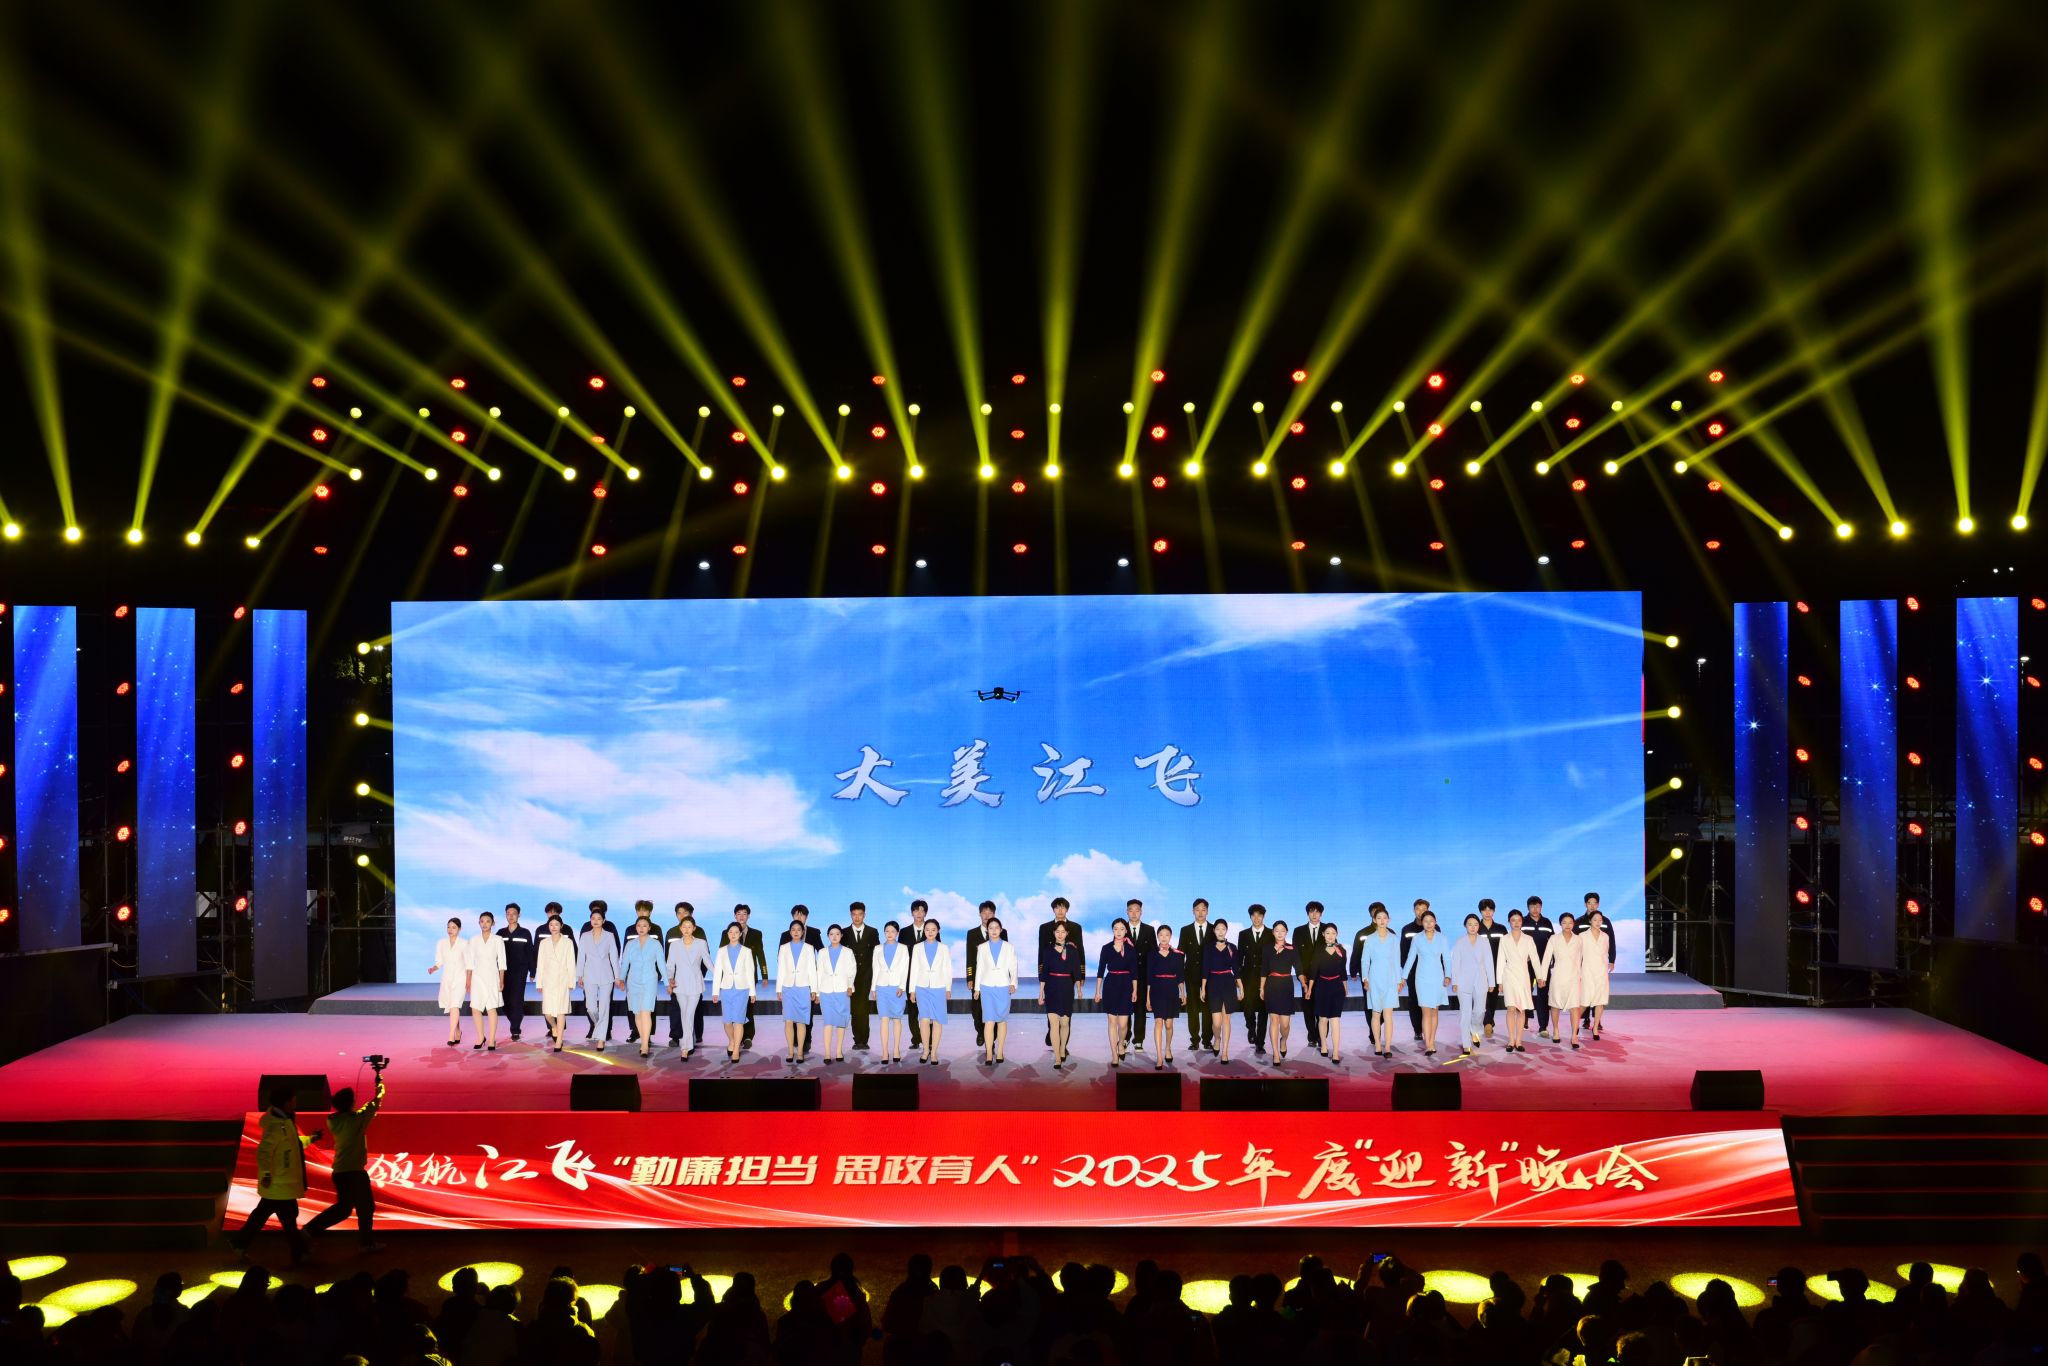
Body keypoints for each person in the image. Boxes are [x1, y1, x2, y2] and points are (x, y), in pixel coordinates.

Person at [230, 1083, 317, 1265]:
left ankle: (239, 1244)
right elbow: (264, 1152)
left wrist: (310, 1139)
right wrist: (268, 1175)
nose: (296, 1101)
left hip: (280, 1184)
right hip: (280, 1184)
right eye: (293, 1099)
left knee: (263, 1216)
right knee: (288, 1220)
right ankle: (300, 1254)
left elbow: (292, 1144)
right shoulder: (278, 1126)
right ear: (286, 1102)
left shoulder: (283, 1122)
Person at [304, 1063, 387, 1251]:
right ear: (350, 1103)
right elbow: (375, 1103)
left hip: (340, 1172)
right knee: (365, 1207)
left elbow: (363, 1109)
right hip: (355, 1173)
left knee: (344, 1209)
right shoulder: (356, 1120)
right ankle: (366, 1243)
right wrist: (379, 1085)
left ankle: (310, 1230)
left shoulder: (334, 1120)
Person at [1401, 906, 1452, 1056]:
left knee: (1434, 1011)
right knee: (1425, 1012)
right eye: (1426, 921)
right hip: (1422, 978)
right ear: (1422, 923)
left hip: (1438, 978)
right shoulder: (1417, 938)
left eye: (1431, 921)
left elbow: (1447, 959)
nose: (1429, 924)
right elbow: (1410, 958)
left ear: (1435, 922)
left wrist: (1448, 975)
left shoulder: (1442, 938)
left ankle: (1432, 1041)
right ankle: (1428, 1044)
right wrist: (1403, 977)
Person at [1357, 902, 1403, 1059]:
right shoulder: (1369, 939)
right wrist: (1365, 978)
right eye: (1379, 918)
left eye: (1385, 918)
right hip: (1374, 979)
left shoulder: (1394, 939)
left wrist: (1399, 980)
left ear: (1388, 920)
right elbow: (1365, 961)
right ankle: (1377, 1044)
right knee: (1376, 1014)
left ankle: (1387, 1046)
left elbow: (1396, 961)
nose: (1382, 920)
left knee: (1388, 1015)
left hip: (1390, 980)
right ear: (1374, 920)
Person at [1037, 897, 1084, 1048]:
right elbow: (1041, 952)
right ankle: (1053, 1033)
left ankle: (1063, 1046)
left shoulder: (1075, 927)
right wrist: (1041, 975)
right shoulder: (1045, 928)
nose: (1060, 910)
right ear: (1053, 910)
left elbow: (1080, 951)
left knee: (1066, 1015)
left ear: (1067, 909)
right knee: (1051, 1011)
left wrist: (1081, 975)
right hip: (1051, 975)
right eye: (1057, 907)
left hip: (1068, 975)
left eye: (1063, 907)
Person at [1449, 912, 1496, 1058]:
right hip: (1463, 981)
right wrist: (1454, 981)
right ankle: (1466, 1044)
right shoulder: (1460, 941)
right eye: (1470, 924)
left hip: (1481, 980)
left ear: (1479, 926)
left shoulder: (1484, 942)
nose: (1473, 927)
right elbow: (1455, 962)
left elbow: (1489, 962)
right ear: (1465, 926)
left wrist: (1492, 981)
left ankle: (1475, 1030)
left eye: (1475, 924)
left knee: (1480, 1011)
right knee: (1465, 1013)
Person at [620, 916, 665, 1060]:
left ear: (649, 928)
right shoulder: (630, 944)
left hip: (649, 980)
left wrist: (666, 982)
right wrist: (621, 978)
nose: (641, 928)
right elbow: (625, 963)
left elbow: (661, 964)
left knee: (646, 1011)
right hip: (633, 981)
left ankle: (645, 1045)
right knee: (637, 1013)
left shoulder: (655, 944)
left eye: (645, 925)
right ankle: (643, 1040)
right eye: (639, 925)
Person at [974, 914, 1018, 1065]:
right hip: (986, 987)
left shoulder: (1009, 947)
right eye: (991, 928)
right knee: (989, 1021)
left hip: (1003, 986)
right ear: (987, 930)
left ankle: (1000, 1052)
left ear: (1001, 930)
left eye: (996, 928)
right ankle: (988, 1053)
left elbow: (1013, 967)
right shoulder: (982, 948)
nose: (993, 930)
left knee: (1002, 1020)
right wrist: (977, 988)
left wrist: (1013, 983)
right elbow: (979, 968)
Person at [713, 920, 758, 1063]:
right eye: (731, 932)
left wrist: (752, 992)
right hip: (726, 989)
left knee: (738, 1021)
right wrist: (715, 991)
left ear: (740, 934)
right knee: (727, 1021)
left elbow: (750, 972)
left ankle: (736, 1049)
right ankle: (732, 1041)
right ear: (727, 934)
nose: (733, 934)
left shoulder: (746, 951)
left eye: (736, 932)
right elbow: (717, 972)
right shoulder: (721, 951)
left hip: (742, 989)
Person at [578, 903, 622, 1050]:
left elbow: (614, 957)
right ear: (590, 920)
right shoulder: (585, 936)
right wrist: (579, 975)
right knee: (591, 1007)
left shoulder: (609, 936)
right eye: (593, 918)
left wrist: (617, 976)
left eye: (599, 918)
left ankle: (601, 1038)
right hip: (589, 974)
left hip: (606, 975)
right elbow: (581, 957)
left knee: (604, 1007)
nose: (596, 921)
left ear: (604, 920)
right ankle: (599, 1026)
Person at [909, 916, 953, 1065]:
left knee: (937, 1020)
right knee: (924, 1020)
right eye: (927, 929)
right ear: (924, 931)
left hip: (939, 987)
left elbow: (947, 969)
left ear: (938, 931)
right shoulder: (917, 947)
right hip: (921, 987)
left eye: (933, 930)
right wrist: (912, 990)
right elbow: (914, 969)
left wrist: (948, 988)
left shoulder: (944, 948)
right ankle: (925, 1051)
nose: (930, 932)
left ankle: (934, 1052)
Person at [1496, 909, 1541, 1052]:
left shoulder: (1528, 939)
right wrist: (1499, 982)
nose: (1516, 923)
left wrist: (1540, 977)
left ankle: (1519, 1041)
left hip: (1523, 977)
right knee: (1510, 1008)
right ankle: (1511, 1040)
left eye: (1519, 920)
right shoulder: (1504, 939)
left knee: (1521, 1009)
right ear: (1509, 922)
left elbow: (1535, 959)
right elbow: (1500, 960)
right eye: (1513, 920)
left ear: (1522, 922)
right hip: (1508, 976)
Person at [1540, 911, 1587, 1049]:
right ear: (1560, 924)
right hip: (1558, 976)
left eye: (1570, 922)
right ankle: (1556, 1031)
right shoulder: (1554, 939)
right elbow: (1546, 959)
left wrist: (1581, 976)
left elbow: (1581, 959)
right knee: (1555, 1005)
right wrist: (1542, 977)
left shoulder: (1578, 939)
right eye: (1564, 922)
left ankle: (1574, 1036)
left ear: (1574, 924)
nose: (1567, 925)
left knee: (1574, 1007)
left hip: (1574, 977)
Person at [665, 912, 708, 1060]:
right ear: (680, 928)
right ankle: (687, 1045)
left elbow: (707, 961)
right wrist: (669, 980)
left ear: (694, 928)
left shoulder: (701, 943)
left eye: (689, 927)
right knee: (684, 1014)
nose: (686, 929)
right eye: (684, 927)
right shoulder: (675, 945)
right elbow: (670, 965)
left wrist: (720, 975)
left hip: (695, 983)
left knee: (688, 1014)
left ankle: (685, 1046)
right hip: (680, 984)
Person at [777, 917, 820, 1064]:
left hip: (803, 988)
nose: (796, 932)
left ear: (803, 932)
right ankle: (790, 1051)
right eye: (793, 930)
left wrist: (814, 990)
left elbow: (812, 970)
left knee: (801, 1021)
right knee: (788, 1021)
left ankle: (800, 1052)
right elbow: (781, 969)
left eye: (799, 930)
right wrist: (778, 988)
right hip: (788, 987)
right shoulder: (784, 948)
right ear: (790, 932)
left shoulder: (809, 948)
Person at [1096, 917, 1138, 1067]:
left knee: (1123, 1024)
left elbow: (1134, 972)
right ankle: (1114, 1054)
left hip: (1126, 985)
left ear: (1126, 931)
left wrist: (1135, 990)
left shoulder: (1131, 949)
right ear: (1112, 930)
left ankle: (1121, 1043)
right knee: (1112, 1022)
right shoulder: (1106, 948)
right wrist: (1097, 991)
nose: (1118, 932)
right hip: (1111, 985)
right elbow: (1100, 971)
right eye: (1116, 929)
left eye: (1121, 929)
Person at [535, 914, 577, 1052]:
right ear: (548, 926)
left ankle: (559, 1040)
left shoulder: (568, 942)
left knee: (561, 1011)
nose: (554, 927)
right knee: (547, 1013)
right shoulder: (544, 943)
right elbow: (540, 963)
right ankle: (554, 1027)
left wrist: (571, 981)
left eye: (556, 925)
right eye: (551, 925)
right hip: (548, 981)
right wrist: (539, 983)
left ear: (561, 926)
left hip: (562, 980)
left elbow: (571, 963)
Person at [816, 923, 857, 1063]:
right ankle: (827, 1053)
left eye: (837, 934)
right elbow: (819, 973)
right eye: (831, 934)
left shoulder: (848, 952)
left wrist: (850, 986)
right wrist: (817, 993)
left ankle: (839, 1051)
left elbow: (852, 971)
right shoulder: (822, 952)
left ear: (841, 936)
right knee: (828, 1022)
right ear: (828, 936)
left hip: (842, 991)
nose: (834, 936)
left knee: (841, 1022)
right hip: (826, 991)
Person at [466, 910, 507, 1051]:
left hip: (492, 977)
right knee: (475, 1008)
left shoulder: (498, 939)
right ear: (479, 923)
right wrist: (468, 980)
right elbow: (470, 962)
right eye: (482, 921)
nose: (484, 924)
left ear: (493, 923)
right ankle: (480, 1037)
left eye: (488, 921)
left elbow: (502, 962)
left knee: (491, 1008)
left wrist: (501, 980)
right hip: (477, 978)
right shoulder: (473, 940)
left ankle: (491, 1039)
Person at [871, 920, 911, 1064]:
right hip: (881, 987)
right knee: (884, 1019)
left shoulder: (903, 948)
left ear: (897, 933)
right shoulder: (878, 948)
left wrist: (902, 986)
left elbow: (905, 969)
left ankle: (896, 1050)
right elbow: (875, 969)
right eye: (887, 931)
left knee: (897, 1019)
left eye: (893, 931)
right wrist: (873, 988)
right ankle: (884, 1052)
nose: (889, 934)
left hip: (896, 988)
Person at [1178, 899, 1214, 1052]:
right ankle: (1194, 1040)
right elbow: (1181, 954)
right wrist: (1179, 975)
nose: (1200, 912)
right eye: (1197, 909)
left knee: (1208, 1007)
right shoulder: (1185, 930)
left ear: (1207, 911)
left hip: (1210, 975)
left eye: (1203, 909)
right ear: (1192, 911)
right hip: (1191, 974)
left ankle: (1207, 1040)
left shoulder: (1214, 929)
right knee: (1192, 1007)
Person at [1294, 900, 1332, 1048]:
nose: (1314, 914)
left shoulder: (1328, 929)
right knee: (1308, 1007)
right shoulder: (1299, 931)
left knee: (1323, 1008)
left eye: (1317, 912)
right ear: (1307, 913)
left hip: (1324, 976)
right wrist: (1300, 974)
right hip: (1306, 976)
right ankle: (1312, 1036)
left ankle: (1322, 1037)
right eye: (1311, 911)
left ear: (1321, 914)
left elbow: (1333, 951)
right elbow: (1296, 956)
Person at [1147, 923, 1186, 1067]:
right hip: (1156, 990)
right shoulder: (1152, 954)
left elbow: (1180, 976)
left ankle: (1168, 1048)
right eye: (1161, 935)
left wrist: (1183, 993)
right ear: (1157, 937)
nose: (1164, 937)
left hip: (1171, 991)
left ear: (1170, 936)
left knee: (1169, 1024)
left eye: (1167, 935)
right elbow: (1149, 978)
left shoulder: (1177, 955)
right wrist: (1147, 998)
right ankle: (1159, 1057)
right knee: (1158, 1022)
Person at [844, 901, 880, 1052]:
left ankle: (863, 1040)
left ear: (864, 914)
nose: (857, 917)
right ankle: (857, 1039)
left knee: (863, 1007)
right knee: (854, 1008)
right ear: (850, 915)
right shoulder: (844, 932)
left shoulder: (872, 932)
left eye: (860, 914)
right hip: (850, 977)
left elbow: (877, 954)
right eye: (854, 914)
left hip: (866, 975)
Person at [496, 903, 535, 1043]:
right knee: (505, 1003)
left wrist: (532, 971)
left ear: (519, 915)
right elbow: (494, 954)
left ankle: (515, 1029)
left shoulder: (525, 933)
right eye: (508, 913)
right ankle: (514, 1019)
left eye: (514, 913)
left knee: (517, 1000)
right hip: (503, 973)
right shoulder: (500, 933)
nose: (511, 916)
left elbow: (530, 952)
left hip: (520, 972)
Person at [1202, 918, 1239, 1064]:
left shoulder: (1232, 947)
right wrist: (1203, 988)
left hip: (1228, 984)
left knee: (1226, 1020)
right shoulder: (1208, 948)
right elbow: (1205, 969)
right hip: (1213, 984)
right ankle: (1217, 1039)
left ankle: (1225, 1052)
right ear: (1214, 931)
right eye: (1218, 929)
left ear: (1226, 930)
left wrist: (1241, 987)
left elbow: (1236, 969)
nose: (1220, 931)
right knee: (1216, 1023)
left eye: (1223, 929)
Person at [1311, 921, 1349, 1062]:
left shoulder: (1341, 950)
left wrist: (1345, 987)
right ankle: (1324, 1044)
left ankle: (1336, 1052)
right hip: (1322, 987)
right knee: (1323, 1019)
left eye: (1333, 933)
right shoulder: (1318, 950)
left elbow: (1343, 971)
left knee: (1335, 1020)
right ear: (1323, 934)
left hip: (1337, 987)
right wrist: (1309, 988)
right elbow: (1314, 971)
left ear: (1337, 934)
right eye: (1328, 933)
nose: (1330, 935)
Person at [429, 917, 470, 1047]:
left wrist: (469, 981)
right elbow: (439, 961)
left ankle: (451, 1035)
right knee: (452, 1007)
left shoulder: (464, 943)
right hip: (447, 978)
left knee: (454, 1005)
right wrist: (433, 968)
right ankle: (457, 1031)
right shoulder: (441, 943)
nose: (450, 930)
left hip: (460, 978)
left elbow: (469, 964)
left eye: (453, 927)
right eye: (448, 927)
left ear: (459, 929)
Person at [662, 901, 698, 1048]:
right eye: (679, 913)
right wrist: (669, 978)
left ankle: (694, 1037)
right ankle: (676, 1036)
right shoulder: (671, 932)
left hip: (694, 979)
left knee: (694, 1009)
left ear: (691, 915)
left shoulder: (699, 932)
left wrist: (699, 976)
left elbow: (704, 957)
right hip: (676, 980)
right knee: (676, 1007)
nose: (682, 915)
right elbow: (668, 959)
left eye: (685, 913)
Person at [1263, 919, 1298, 1062]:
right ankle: (1276, 1054)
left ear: (1286, 932)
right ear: (1273, 932)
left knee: (1285, 1024)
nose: (1279, 933)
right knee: (1274, 1020)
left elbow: (1299, 967)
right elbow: (1263, 970)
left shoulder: (1292, 949)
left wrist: (1304, 982)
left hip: (1286, 986)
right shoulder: (1267, 949)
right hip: (1271, 985)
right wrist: (1261, 988)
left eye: (1282, 931)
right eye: (1277, 931)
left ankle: (1283, 1040)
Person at [1237, 905, 1270, 1056]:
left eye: (1259, 915)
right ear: (1250, 916)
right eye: (1254, 915)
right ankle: (1251, 1027)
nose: (1256, 918)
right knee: (1248, 1007)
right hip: (1248, 977)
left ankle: (1260, 1043)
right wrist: (1237, 977)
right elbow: (1239, 957)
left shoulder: (1270, 934)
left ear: (1264, 916)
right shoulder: (1243, 934)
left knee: (1263, 1011)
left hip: (1266, 977)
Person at [734, 904, 767, 1050]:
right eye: (739, 913)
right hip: (733, 978)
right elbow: (722, 954)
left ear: (748, 916)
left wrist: (765, 974)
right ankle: (737, 1036)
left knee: (748, 1007)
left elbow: (760, 954)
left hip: (749, 977)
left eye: (744, 913)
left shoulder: (756, 934)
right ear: (735, 916)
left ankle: (748, 1036)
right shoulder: (727, 932)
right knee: (735, 1007)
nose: (741, 916)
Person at [965, 901, 997, 1050]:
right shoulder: (972, 933)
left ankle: (992, 1038)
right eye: (984, 912)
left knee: (994, 1009)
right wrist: (970, 978)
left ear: (994, 914)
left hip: (996, 979)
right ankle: (980, 1032)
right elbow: (970, 957)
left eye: (990, 913)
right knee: (977, 1009)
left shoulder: (1002, 932)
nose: (987, 915)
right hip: (978, 979)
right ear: (979, 914)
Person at [1523, 896, 1555, 1037]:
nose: (1535, 909)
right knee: (1525, 992)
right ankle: (1524, 1019)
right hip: (1526, 964)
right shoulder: (1523, 922)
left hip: (1543, 965)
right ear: (1528, 908)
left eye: (1538, 906)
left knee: (1543, 995)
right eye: (1532, 906)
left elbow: (1553, 942)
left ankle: (1543, 1026)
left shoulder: (1547, 922)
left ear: (1541, 907)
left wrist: (1552, 960)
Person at [1581, 900, 1614, 1039]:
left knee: (1600, 1001)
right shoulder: (1582, 936)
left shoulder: (1605, 936)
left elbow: (1608, 951)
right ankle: (1575, 1027)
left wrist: (1611, 961)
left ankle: (1595, 1028)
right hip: (1587, 971)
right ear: (1590, 921)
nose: (1598, 922)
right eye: (1595, 920)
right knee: (1584, 1001)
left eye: (1600, 920)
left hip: (1601, 972)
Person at [1398, 900, 1428, 1044]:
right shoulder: (1407, 929)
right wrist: (1407, 971)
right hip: (1413, 972)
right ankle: (1417, 1030)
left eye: (1424, 909)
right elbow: (1402, 952)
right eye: (1418, 909)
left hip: (1429, 972)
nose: (1420, 911)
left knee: (1428, 1002)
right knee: (1414, 1001)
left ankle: (1428, 1029)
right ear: (1414, 910)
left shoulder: (1435, 928)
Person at [901, 899, 933, 1039]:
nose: (919, 913)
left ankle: (928, 1038)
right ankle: (916, 1037)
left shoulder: (932, 930)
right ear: (912, 913)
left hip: (928, 977)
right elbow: (901, 956)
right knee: (913, 1009)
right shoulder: (904, 932)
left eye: (922, 910)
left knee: (928, 1009)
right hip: (910, 977)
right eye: (916, 910)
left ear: (925, 913)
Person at [1476, 899, 1506, 1040]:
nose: (1487, 912)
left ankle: (1489, 1021)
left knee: (1493, 996)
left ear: (1494, 911)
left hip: (1496, 967)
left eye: (1490, 909)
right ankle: (1485, 1022)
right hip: (1479, 968)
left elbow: (1506, 949)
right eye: (1484, 910)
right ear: (1480, 911)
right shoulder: (1476, 928)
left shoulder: (1501, 929)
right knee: (1481, 996)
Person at [1126, 897, 1152, 1051]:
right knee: (1126, 1008)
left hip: (1143, 976)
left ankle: (1139, 1040)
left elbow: (1153, 955)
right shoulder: (1121, 928)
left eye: (1137, 910)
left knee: (1141, 1009)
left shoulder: (1149, 930)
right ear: (1127, 912)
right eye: (1131, 910)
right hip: (1126, 976)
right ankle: (1125, 1037)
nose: (1134, 913)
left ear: (1141, 912)